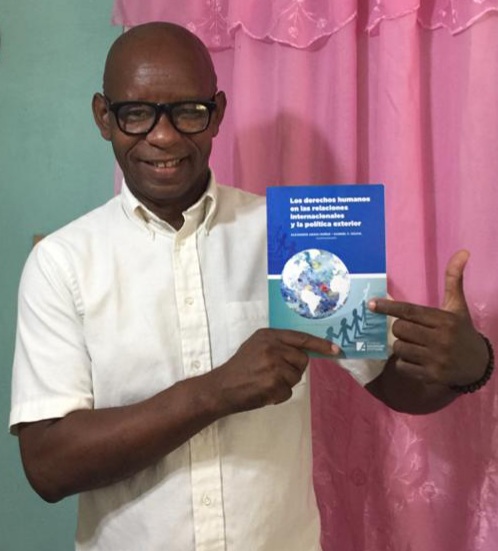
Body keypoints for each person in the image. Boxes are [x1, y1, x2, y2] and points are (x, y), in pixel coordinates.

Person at [10, 22, 492, 551]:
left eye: (188, 111)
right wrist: (216, 391)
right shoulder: (61, 263)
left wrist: (468, 366)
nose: (163, 136)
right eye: (136, 113)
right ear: (104, 117)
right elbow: (48, 466)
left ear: (217, 113)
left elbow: (392, 383)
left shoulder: (292, 236)